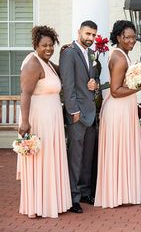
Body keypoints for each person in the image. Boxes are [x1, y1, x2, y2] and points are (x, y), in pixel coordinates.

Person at [94, 20, 141, 208]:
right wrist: (140, 86)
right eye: (127, 37)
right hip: (117, 111)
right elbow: (116, 91)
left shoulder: (123, 54)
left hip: (125, 109)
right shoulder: (118, 58)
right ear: (118, 37)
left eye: (134, 37)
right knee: (118, 151)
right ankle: (115, 195)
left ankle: (122, 193)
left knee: (123, 150)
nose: (131, 41)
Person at [17, 25, 71, 218]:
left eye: (51, 45)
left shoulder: (47, 63)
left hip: (52, 118)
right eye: (44, 45)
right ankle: (36, 206)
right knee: (40, 160)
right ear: (35, 45)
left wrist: (66, 53)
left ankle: (50, 202)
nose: (48, 48)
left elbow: (62, 72)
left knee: (50, 159)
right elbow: (25, 94)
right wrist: (24, 121)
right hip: (39, 118)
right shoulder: (33, 64)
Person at [60, 20, 99, 214]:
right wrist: (73, 111)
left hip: (91, 113)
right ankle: (73, 196)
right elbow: (68, 85)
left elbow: (94, 80)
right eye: (87, 34)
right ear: (79, 32)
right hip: (77, 114)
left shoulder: (92, 54)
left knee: (87, 156)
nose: (90, 38)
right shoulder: (69, 53)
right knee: (75, 156)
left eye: (93, 35)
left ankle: (84, 192)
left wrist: (96, 84)